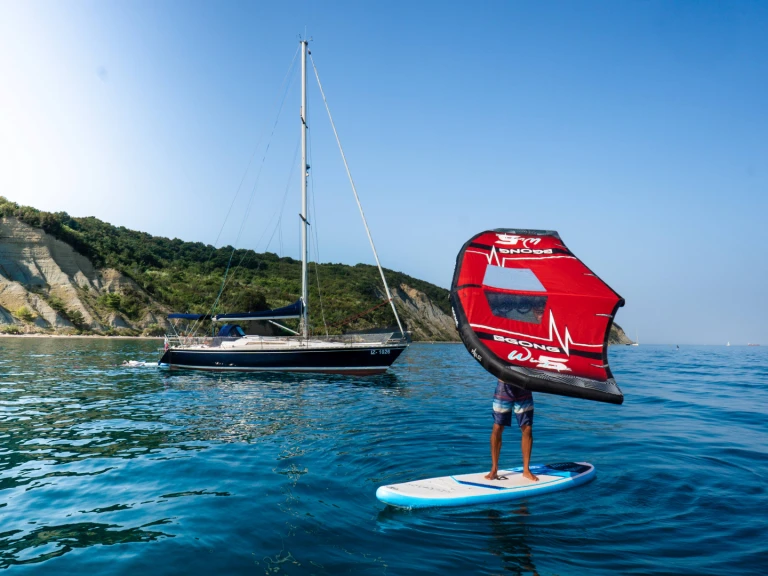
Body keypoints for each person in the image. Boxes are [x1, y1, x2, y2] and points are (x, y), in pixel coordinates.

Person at [485, 379, 539, 482]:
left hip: (524, 386)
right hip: (504, 386)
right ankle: (494, 469)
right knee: (498, 427)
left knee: (527, 428)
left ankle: (526, 470)